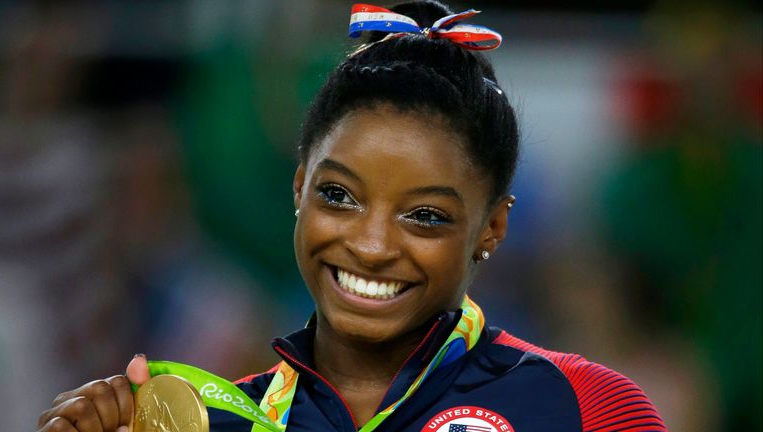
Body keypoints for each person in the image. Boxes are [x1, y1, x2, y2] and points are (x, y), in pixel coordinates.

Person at [36, 2, 667, 431]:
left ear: (493, 228)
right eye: (339, 196)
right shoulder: (213, 420)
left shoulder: (587, 408)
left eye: (423, 215)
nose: (369, 245)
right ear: (298, 187)